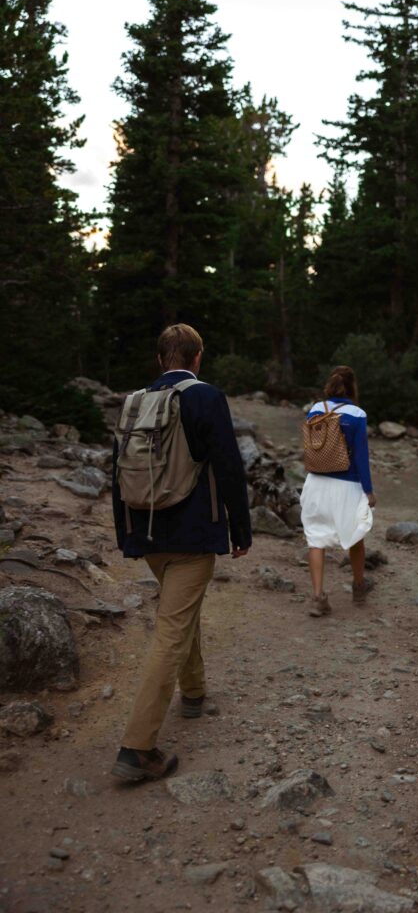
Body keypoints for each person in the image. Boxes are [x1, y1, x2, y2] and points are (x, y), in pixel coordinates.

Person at [110, 324, 252, 782]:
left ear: (159, 360)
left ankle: (194, 694)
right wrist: (240, 529)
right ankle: (137, 748)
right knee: (171, 630)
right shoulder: (206, 398)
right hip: (192, 535)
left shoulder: (135, 402)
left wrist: (126, 535)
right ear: (197, 358)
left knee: (179, 612)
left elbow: (119, 474)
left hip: (147, 533)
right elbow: (229, 465)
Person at [301, 365, 376, 617]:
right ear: (353, 386)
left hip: (316, 482)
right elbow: (362, 457)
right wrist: (369, 490)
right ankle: (358, 586)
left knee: (315, 538)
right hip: (348, 484)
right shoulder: (357, 413)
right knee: (355, 534)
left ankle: (318, 597)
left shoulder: (315, 410)